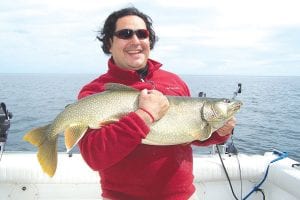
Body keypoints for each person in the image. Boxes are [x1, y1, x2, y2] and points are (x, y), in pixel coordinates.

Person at [78, 7, 236, 200]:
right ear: (110, 43)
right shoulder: (95, 92)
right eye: (125, 34)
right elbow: (95, 157)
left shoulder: (175, 82)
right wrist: (144, 116)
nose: (135, 41)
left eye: (142, 34)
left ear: (149, 41)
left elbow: (189, 135)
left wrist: (219, 133)